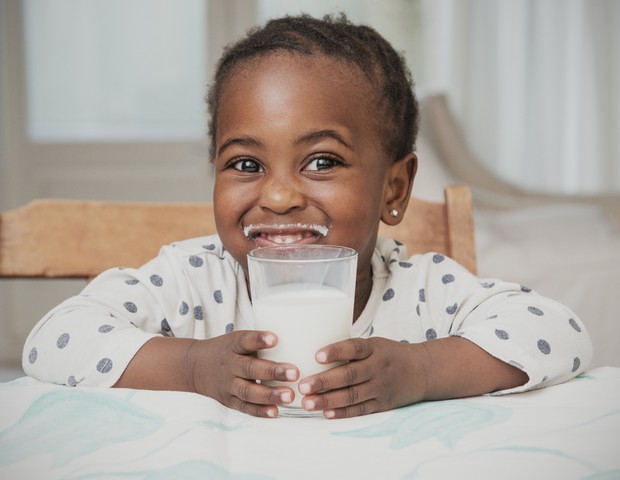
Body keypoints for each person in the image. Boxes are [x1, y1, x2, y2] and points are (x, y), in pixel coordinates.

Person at [22, 13, 592, 419]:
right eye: (245, 162)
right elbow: (53, 340)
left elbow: (561, 334)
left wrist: (421, 371)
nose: (277, 197)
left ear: (394, 187)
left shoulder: (423, 292)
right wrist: (191, 367)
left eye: (321, 161)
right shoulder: (193, 282)